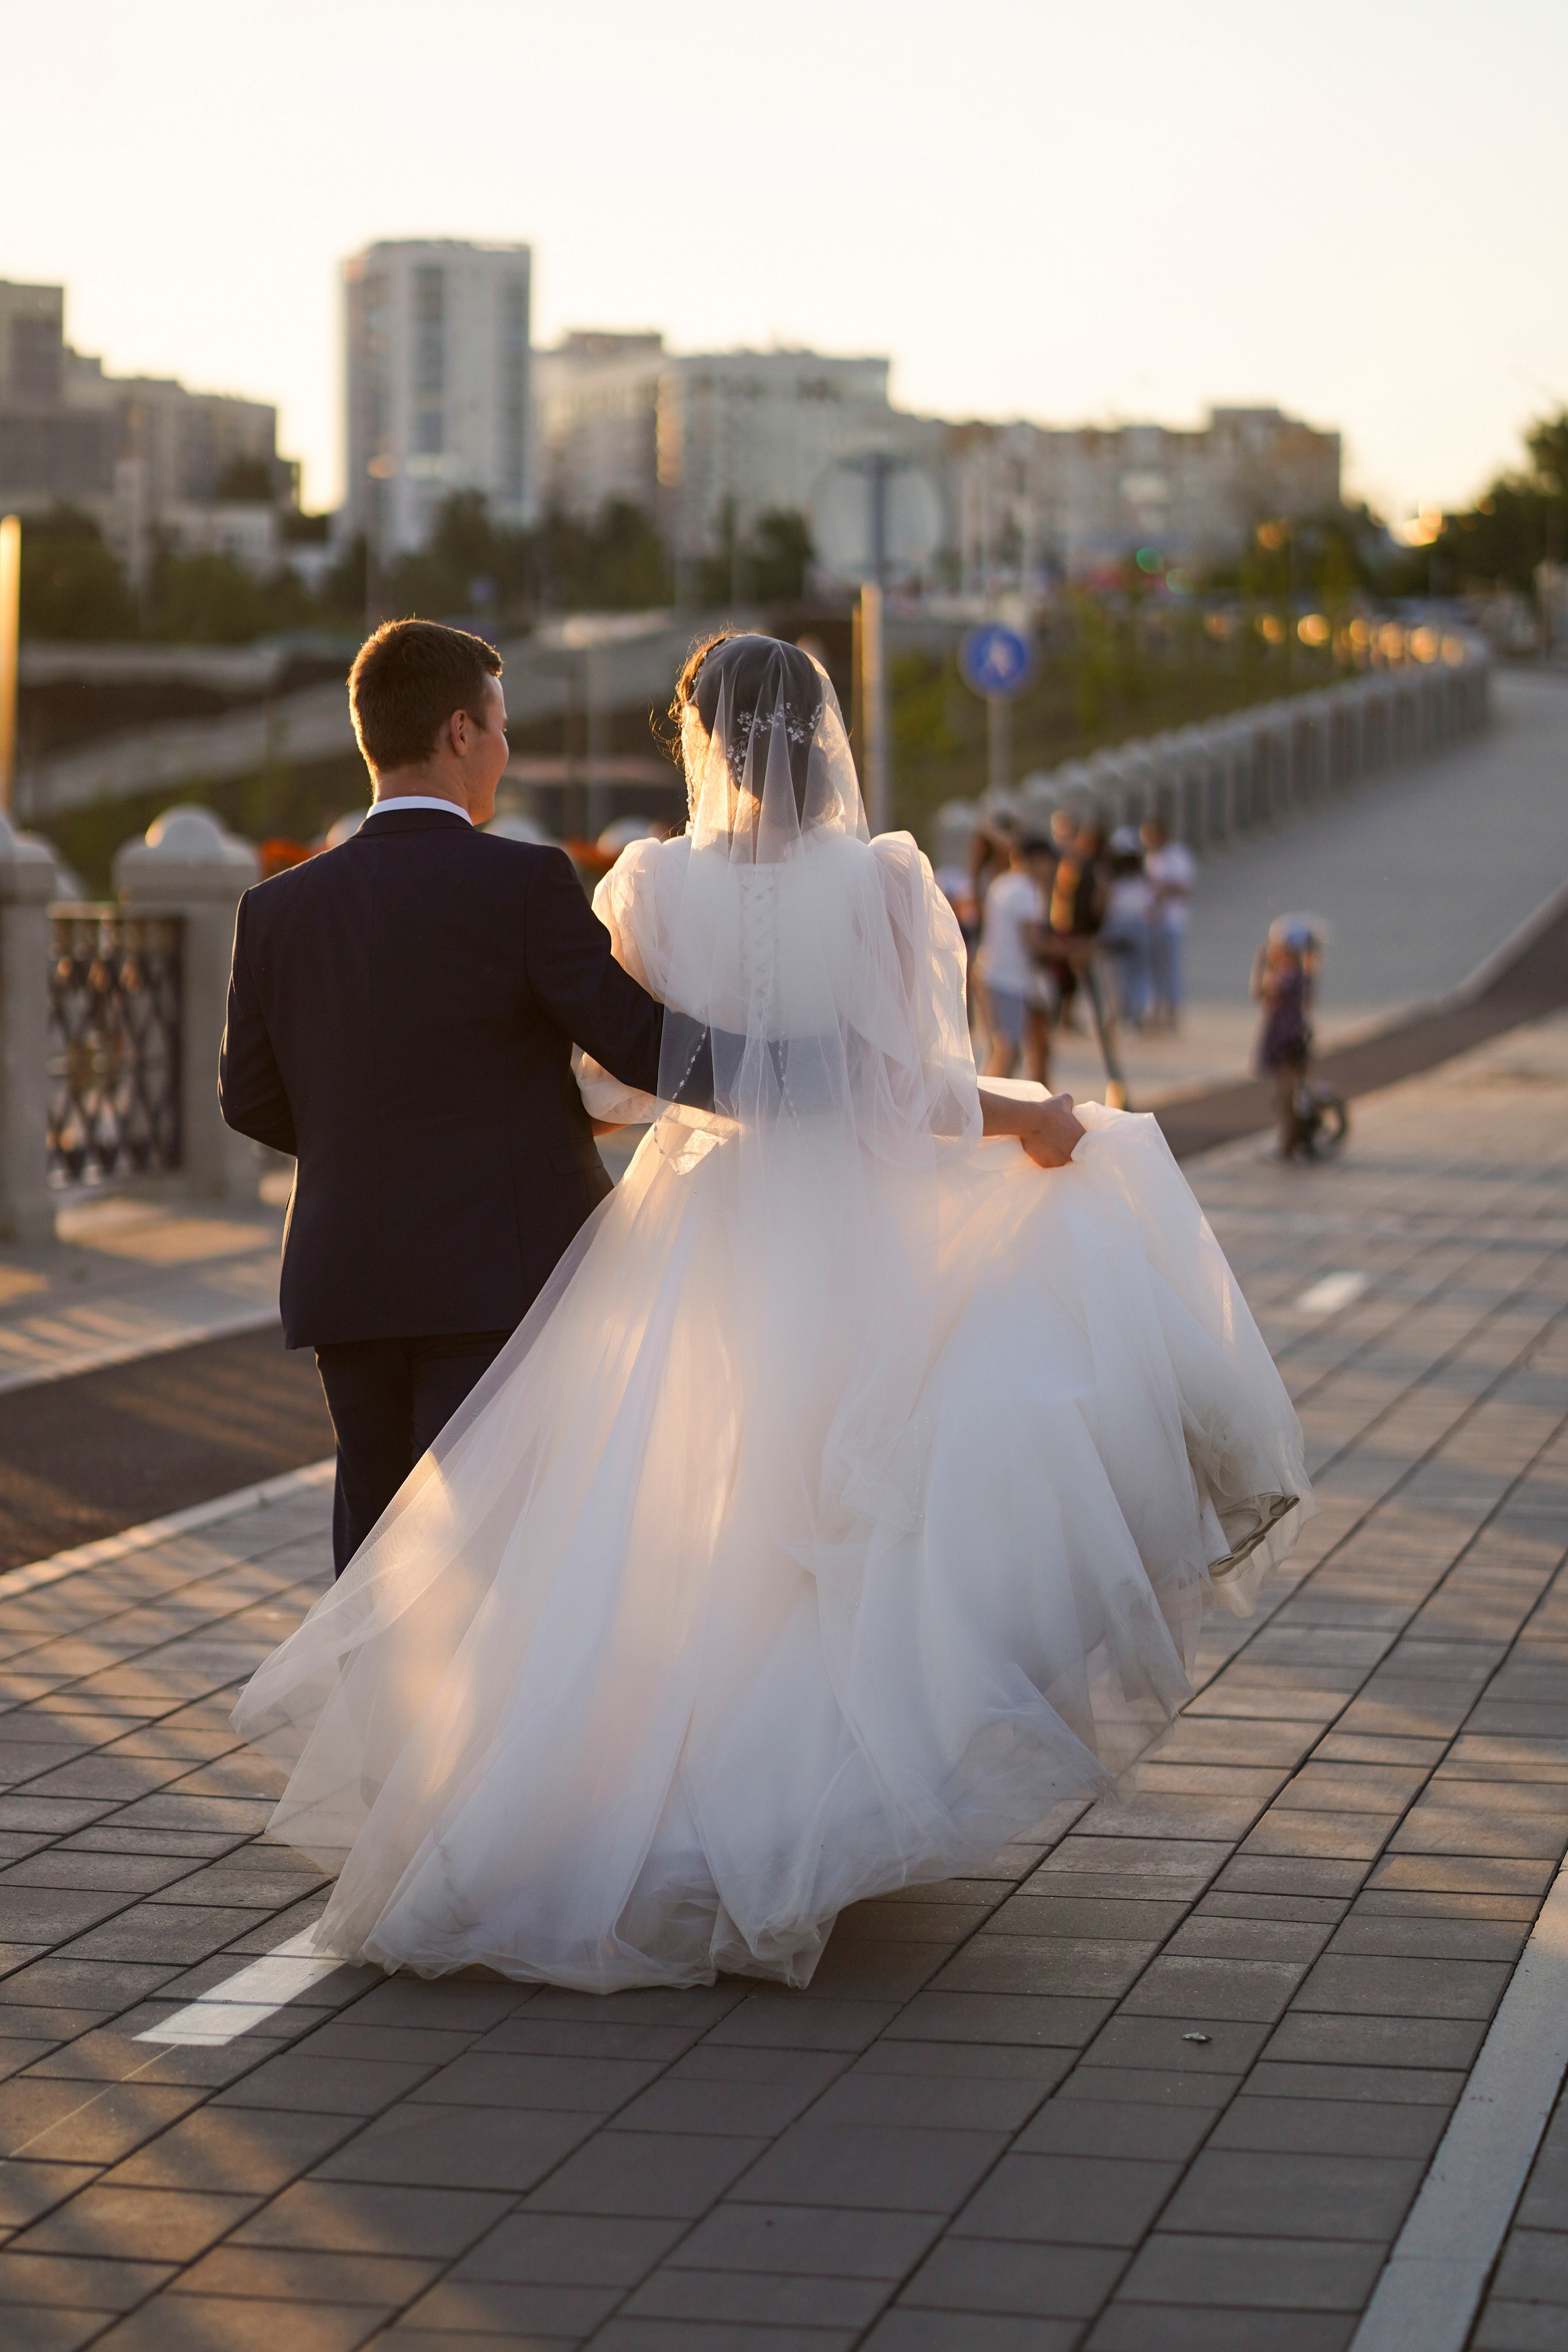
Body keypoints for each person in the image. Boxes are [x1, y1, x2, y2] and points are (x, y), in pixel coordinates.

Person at [234, 633, 1310, 1995]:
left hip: (692, 1220)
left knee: (673, 1517)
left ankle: (572, 1793)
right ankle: (807, 1809)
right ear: (818, 737)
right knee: (834, 1519)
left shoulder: (645, 883)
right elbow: (902, 1086)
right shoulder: (879, 881)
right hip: (844, 1224)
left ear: (698, 742)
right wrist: (1013, 1116)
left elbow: (613, 1076)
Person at [217, 618, 711, 1580]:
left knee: (374, 1563)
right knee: (498, 1567)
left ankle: (379, 1733)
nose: (505, 747)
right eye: (500, 725)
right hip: (502, 1275)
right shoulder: (523, 882)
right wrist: (802, 1068)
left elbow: (249, 1098)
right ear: (458, 732)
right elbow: (641, 1044)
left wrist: (363, 1139)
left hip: (347, 1273)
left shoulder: (275, 908)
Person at [974, 830, 1052, 1082]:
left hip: (992, 971)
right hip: (1006, 978)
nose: (1051, 868)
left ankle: (984, 1111)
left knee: (1002, 1050)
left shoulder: (1002, 884)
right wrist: (1072, 949)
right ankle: (984, 1114)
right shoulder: (1025, 890)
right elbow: (1033, 942)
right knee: (1008, 1051)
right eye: (1047, 861)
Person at [1253, 914, 1318, 1158]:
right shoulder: (1303, 975)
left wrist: (1262, 964)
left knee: (1285, 1097)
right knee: (1289, 1095)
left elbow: (1259, 992)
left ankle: (1288, 1144)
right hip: (1294, 1039)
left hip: (1284, 1042)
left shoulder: (1287, 977)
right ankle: (1291, 1141)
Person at [1141, 815, 1196, 1030]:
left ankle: (1171, 1013)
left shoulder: (1177, 856)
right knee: (1151, 968)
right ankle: (1153, 1011)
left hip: (1171, 921)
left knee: (1170, 969)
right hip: (1149, 920)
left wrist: (1162, 892)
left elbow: (1186, 888)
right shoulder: (1147, 858)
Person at [1100, 825, 1153, 1027]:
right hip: (1135, 925)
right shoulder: (1139, 878)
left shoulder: (1112, 878)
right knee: (1131, 971)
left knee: (1117, 972)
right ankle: (1132, 1013)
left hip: (1119, 924)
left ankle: (1122, 1012)